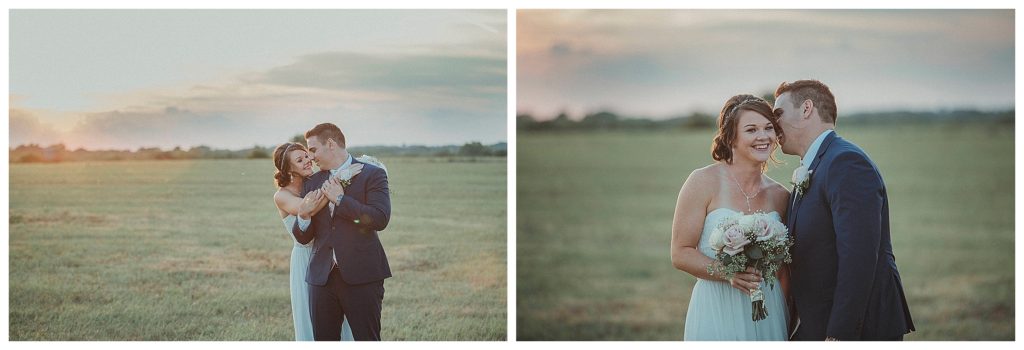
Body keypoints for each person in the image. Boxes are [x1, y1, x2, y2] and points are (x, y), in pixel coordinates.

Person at [773, 80, 914, 341]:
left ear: (806, 109)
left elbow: (858, 258)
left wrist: (839, 335)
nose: (773, 123)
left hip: (857, 328)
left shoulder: (845, 162)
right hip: (819, 320)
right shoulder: (816, 164)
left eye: (778, 113)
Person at [671, 94, 791, 340]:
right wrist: (728, 273)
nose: (763, 137)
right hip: (716, 307)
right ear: (731, 137)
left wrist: (788, 315)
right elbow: (680, 252)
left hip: (768, 309)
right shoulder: (702, 182)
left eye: (769, 128)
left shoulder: (781, 195)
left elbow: (784, 270)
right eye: (751, 129)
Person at [293, 123, 392, 341]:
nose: (311, 157)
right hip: (321, 279)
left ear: (330, 144)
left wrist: (340, 200)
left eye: (313, 149)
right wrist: (303, 216)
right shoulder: (312, 182)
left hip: (363, 276)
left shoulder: (372, 175)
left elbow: (379, 219)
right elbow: (303, 237)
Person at [272, 142, 358, 341]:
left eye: (307, 155)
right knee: (313, 319)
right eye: (299, 160)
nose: (307, 161)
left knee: (341, 316)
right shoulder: (282, 196)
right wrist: (340, 180)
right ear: (288, 169)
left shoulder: (318, 181)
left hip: (331, 256)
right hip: (306, 260)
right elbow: (307, 208)